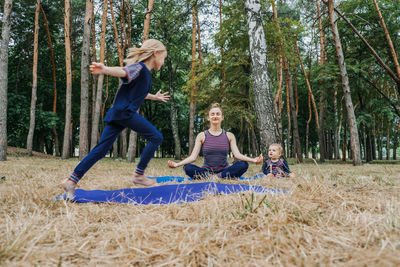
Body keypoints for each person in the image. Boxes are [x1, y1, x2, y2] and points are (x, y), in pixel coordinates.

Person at [61, 39, 170, 199]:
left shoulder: (144, 73)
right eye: (163, 57)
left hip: (118, 113)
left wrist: (154, 97)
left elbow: (138, 93)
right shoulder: (139, 68)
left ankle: (71, 181)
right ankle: (139, 175)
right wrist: (104, 69)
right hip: (125, 113)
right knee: (156, 137)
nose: (163, 61)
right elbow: (123, 71)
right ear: (155, 53)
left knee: (101, 150)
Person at [168, 103, 263, 179]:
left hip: (225, 170)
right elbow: (193, 157)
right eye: (212, 114)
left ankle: (218, 176)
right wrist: (177, 164)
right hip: (206, 171)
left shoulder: (229, 135)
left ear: (222, 117)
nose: (215, 116)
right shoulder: (202, 135)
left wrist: (253, 160)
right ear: (208, 118)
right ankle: (212, 176)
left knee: (243, 164)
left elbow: (237, 155)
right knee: (188, 167)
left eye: (218, 114)